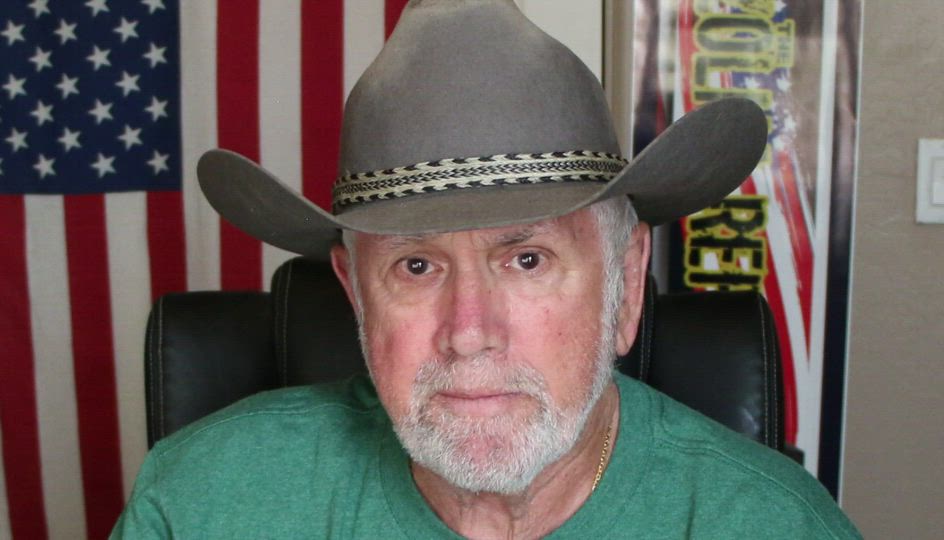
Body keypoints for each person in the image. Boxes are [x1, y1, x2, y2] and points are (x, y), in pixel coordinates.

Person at [112, 1, 860, 538]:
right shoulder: (200, 503)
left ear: (626, 285)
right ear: (355, 295)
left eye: (527, 259)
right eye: (415, 266)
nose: (469, 333)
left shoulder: (770, 524)